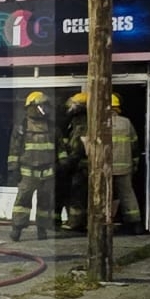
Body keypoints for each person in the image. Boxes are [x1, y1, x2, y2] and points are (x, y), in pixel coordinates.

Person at [7, 92, 63, 241]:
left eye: (46, 105)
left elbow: (60, 148)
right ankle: (17, 229)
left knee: (45, 203)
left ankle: (42, 229)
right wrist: (13, 169)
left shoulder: (51, 127)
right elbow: (14, 149)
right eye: (41, 105)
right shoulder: (22, 126)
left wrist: (64, 163)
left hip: (48, 172)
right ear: (32, 107)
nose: (44, 108)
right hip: (28, 171)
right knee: (22, 202)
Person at [109, 94, 146, 235]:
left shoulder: (99, 122)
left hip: (105, 169)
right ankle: (135, 224)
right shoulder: (126, 123)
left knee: (107, 197)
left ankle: (107, 224)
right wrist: (135, 164)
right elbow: (135, 145)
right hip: (124, 167)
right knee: (127, 195)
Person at [62, 93, 90, 232]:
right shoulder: (77, 122)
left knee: (77, 195)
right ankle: (80, 222)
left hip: (81, 165)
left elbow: (77, 146)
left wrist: (69, 161)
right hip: (80, 165)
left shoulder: (81, 123)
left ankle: (76, 222)